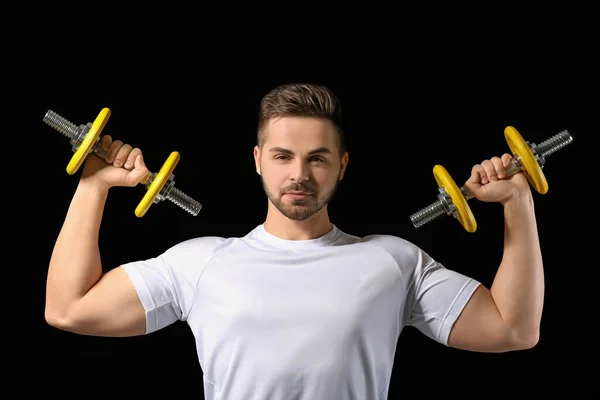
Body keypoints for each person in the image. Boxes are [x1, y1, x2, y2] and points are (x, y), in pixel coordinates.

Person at [45, 83, 543, 399]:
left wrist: (517, 203)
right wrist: (94, 185)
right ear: (258, 160)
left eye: (318, 158)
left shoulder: (392, 261)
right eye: (283, 157)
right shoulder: (201, 263)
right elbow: (69, 308)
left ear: (342, 166)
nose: (299, 175)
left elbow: (513, 330)